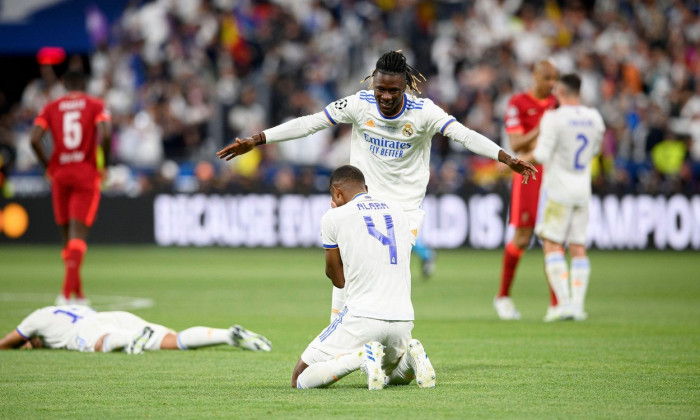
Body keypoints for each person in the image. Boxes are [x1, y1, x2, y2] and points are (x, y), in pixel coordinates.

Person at [217, 50, 538, 323]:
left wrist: (506, 158)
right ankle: (338, 338)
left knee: (388, 280)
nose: (384, 96)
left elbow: (465, 135)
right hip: (364, 203)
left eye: (393, 91)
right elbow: (310, 123)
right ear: (373, 82)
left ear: (405, 87)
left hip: (404, 211)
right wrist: (257, 140)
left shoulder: (424, 112)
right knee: (344, 272)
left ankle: (398, 346)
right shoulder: (360, 104)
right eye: (380, 88)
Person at [290, 165, 435, 390]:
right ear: (365, 188)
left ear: (337, 193)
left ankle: (360, 358)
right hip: (403, 320)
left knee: (300, 378)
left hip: (362, 317)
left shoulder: (334, 216)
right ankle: (411, 356)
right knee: (389, 375)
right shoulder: (398, 212)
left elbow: (337, 279)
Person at [29, 70, 112, 306]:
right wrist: (104, 164)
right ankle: (65, 295)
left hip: (60, 174)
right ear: (85, 84)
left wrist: (49, 165)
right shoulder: (96, 105)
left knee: (67, 239)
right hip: (85, 174)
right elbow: (105, 134)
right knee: (78, 236)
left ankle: (79, 296)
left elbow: (34, 139)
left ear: (64, 85)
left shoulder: (51, 107)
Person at [528, 73, 605, 321]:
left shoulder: (554, 118)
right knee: (578, 245)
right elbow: (595, 150)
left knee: (552, 243)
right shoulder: (594, 118)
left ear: (559, 91)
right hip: (583, 188)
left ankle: (564, 304)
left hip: (558, 189)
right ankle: (578, 307)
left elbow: (540, 154)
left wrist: (514, 161)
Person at [494, 59, 559, 321]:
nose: (552, 84)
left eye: (555, 79)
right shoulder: (518, 103)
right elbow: (516, 142)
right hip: (529, 173)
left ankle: (559, 303)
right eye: (547, 78)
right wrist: (542, 126)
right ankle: (503, 297)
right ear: (535, 76)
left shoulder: (559, 102)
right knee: (522, 237)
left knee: (554, 238)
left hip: (555, 174)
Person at [0, 304, 272, 353]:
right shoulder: (65, 310)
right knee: (172, 339)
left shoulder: (36, 318)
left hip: (91, 329)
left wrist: (22, 343)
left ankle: (130, 341)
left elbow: (7, 342)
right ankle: (226, 335)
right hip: (114, 316)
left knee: (100, 343)